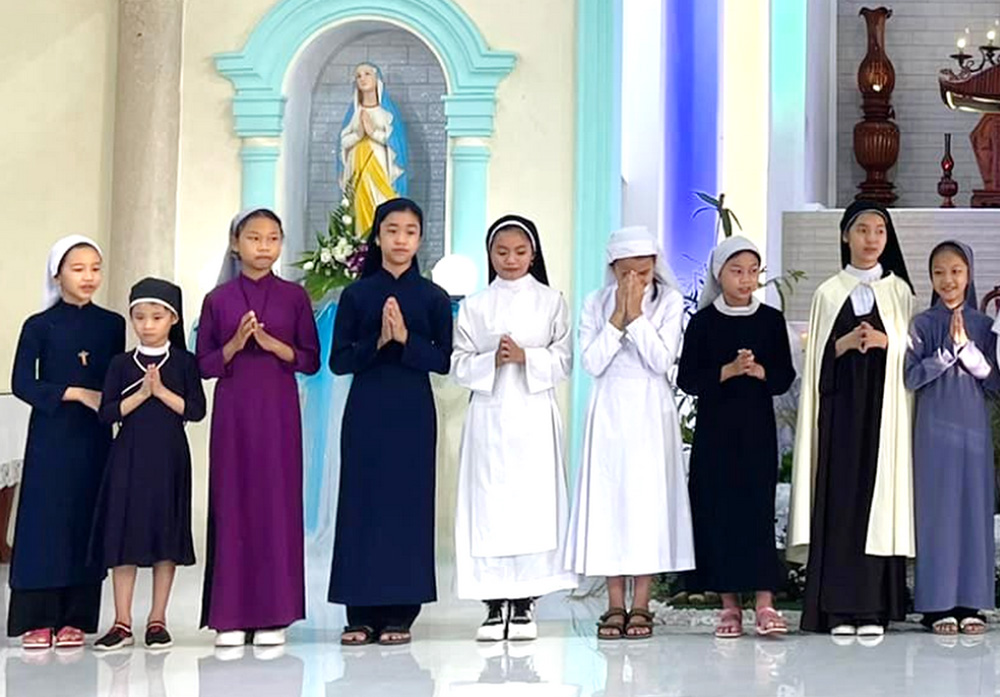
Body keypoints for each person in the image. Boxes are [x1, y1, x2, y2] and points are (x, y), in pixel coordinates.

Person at [789, 201, 915, 638]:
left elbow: (911, 360)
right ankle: (839, 608)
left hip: (883, 417)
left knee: (877, 501)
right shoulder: (828, 293)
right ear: (846, 236)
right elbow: (816, 366)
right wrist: (840, 345)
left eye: (879, 230)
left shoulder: (899, 292)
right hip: (842, 414)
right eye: (862, 229)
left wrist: (886, 341)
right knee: (842, 502)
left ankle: (874, 609)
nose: (871, 238)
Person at [330, 198, 453, 646]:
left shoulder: (433, 297)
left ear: (420, 239)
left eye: (410, 231)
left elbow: (442, 360)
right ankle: (358, 612)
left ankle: (402, 612)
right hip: (366, 410)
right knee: (362, 504)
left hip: (413, 413)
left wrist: (405, 339)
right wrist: (377, 341)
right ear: (377, 236)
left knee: (408, 506)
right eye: (392, 230)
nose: (401, 240)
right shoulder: (356, 295)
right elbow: (339, 361)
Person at [196, 208, 321, 647]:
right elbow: (204, 364)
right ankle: (229, 615)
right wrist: (234, 344)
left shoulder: (294, 297)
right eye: (254, 238)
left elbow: (310, 359)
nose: (263, 247)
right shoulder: (218, 300)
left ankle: (275, 614)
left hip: (279, 412)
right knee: (233, 501)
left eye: (272, 239)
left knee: (275, 503)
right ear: (236, 243)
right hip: (233, 414)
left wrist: (271, 344)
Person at [452, 214, 578, 642]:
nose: (511, 259)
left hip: (533, 415)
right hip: (489, 415)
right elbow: (458, 362)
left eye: (520, 252)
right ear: (489, 254)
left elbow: (564, 359)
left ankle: (525, 602)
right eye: (502, 252)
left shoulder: (552, 301)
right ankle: (492, 604)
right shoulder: (474, 305)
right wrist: (492, 361)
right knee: (490, 507)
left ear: (534, 254)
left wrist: (528, 357)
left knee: (532, 505)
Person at [565, 225, 695, 641]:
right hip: (608, 409)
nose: (634, 281)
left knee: (646, 504)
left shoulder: (670, 301)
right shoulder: (594, 302)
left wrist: (636, 317)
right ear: (613, 268)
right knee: (610, 503)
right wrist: (618, 318)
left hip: (649, 409)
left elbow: (661, 360)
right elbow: (593, 362)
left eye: (643, 272)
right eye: (626, 273)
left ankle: (642, 604)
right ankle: (612, 604)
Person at [8, 235, 125, 649]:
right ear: (57, 275)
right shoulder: (39, 326)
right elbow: (22, 382)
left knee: (85, 519)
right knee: (45, 522)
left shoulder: (112, 324)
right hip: (52, 438)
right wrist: (74, 393)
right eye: (78, 269)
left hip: (94, 440)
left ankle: (77, 616)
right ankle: (36, 619)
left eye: (95, 268)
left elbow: (116, 376)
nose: (89, 277)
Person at [678, 235, 795, 638]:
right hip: (716, 435)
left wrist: (762, 372)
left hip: (757, 433)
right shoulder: (704, 322)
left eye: (752, 272)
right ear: (719, 273)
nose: (745, 280)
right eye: (736, 271)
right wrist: (725, 372)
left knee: (757, 513)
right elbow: (687, 378)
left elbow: (784, 376)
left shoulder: (770, 320)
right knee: (721, 514)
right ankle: (729, 606)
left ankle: (765, 602)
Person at [91, 278, 206, 650]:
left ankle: (158, 620)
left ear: (172, 318)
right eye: (139, 317)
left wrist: (160, 391)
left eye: (156, 316)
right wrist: (141, 394)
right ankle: (121, 621)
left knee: (165, 535)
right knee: (123, 535)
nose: (147, 324)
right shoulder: (121, 364)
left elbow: (196, 410)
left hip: (170, 456)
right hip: (127, 456)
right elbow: (107, 413)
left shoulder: (184, 363)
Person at [906, 241, 998, 636]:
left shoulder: (983, 324)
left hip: (973, 429)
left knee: (973, 510)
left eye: (956, 271)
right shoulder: (922, 324)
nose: (948, 280)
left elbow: (995, 381)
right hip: (932, 429)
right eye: (940, 272)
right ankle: (936, 604)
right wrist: (946, 354)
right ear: (931, 278)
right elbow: (910, 377)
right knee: (937, 512)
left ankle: (972, 602)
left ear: (969, 275)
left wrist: (972, 354)